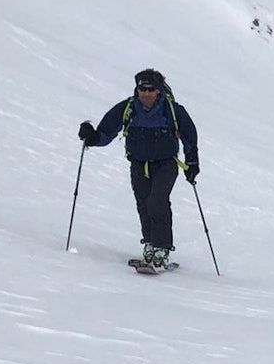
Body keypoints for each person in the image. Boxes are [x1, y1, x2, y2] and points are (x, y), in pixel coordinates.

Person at [78, 69, 199, 269]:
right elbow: (106, 132)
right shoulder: (128, 108)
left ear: (159, 90)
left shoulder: (172, 110)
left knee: (157, 201)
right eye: (142, 89)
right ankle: (150, 245)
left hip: (166, 164)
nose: (146, 93)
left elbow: (189, 136)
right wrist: (91, 137)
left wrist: (192, 163)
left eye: (151, 89)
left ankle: (162, 248)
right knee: (143, 203)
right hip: (138, 163)